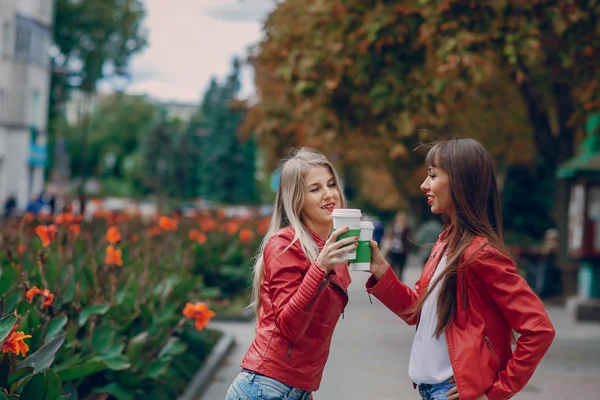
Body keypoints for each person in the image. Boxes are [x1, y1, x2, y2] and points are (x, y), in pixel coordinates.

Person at [366, 138, 555, 400]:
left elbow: (539, 329)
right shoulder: (445, 244)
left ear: (460, 182)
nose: (424, 185)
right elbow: (415, 311)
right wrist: (380, 269)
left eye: (432, 175)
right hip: (431, 391)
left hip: (451, 392)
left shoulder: (480, 253)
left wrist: (495, 394)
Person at [226, 148, 357, 400]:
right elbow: (290, 327)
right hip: (264, 388)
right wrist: (320, 268)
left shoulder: (331, 248)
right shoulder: (284, 244)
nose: (329, 194)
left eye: (331, 184)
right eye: (315, 188)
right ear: (296, 199)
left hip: (296, 390)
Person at [381, 211, 412, 280]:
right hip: (393, 249)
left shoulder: (407, 227)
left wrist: (408, 249)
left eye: (402, 218)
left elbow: (409, 238)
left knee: (401, 268)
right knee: (392, 267)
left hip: (403, 250)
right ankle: (392, 282)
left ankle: (399, 283)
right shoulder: (393, 226)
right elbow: (388, 235)